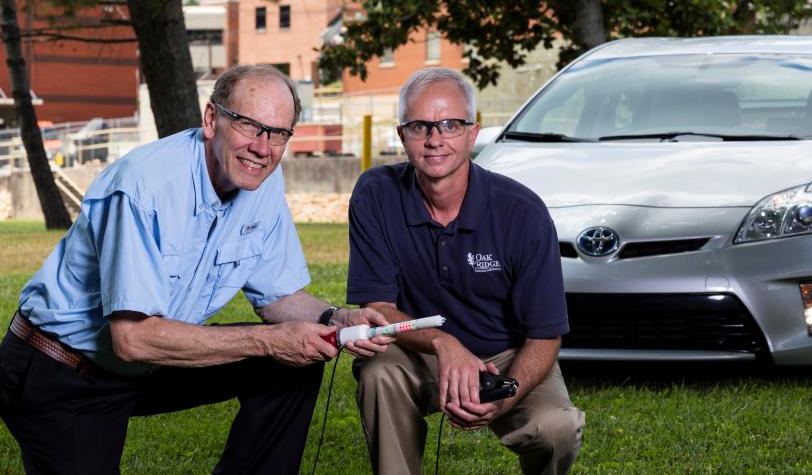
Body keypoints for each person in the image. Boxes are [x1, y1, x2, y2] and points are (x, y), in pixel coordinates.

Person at [0, 64, 392, 474]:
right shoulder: (144, 186)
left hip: (151, 362)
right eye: (250, 125)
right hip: (64, 369)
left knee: (295, 361)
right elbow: (132, 338)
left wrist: (337, 318)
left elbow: (280, 296)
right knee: (276, 349)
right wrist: (270, 341)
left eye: (278, 133)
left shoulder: (261, 183)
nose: (264, 147)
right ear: (211, 119)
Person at [346, 67, 585, 475]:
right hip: (418, 349)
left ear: (473, 133)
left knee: (557, 426)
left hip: (506, 354)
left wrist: (503, 397)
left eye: (450, 124)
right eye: (420, 126)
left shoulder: (522, 213)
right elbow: (380, 309)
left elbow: (544, 336)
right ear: (402, 135)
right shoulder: (376, 193)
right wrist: (444, 344)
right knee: (378, 370)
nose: (435, 138)